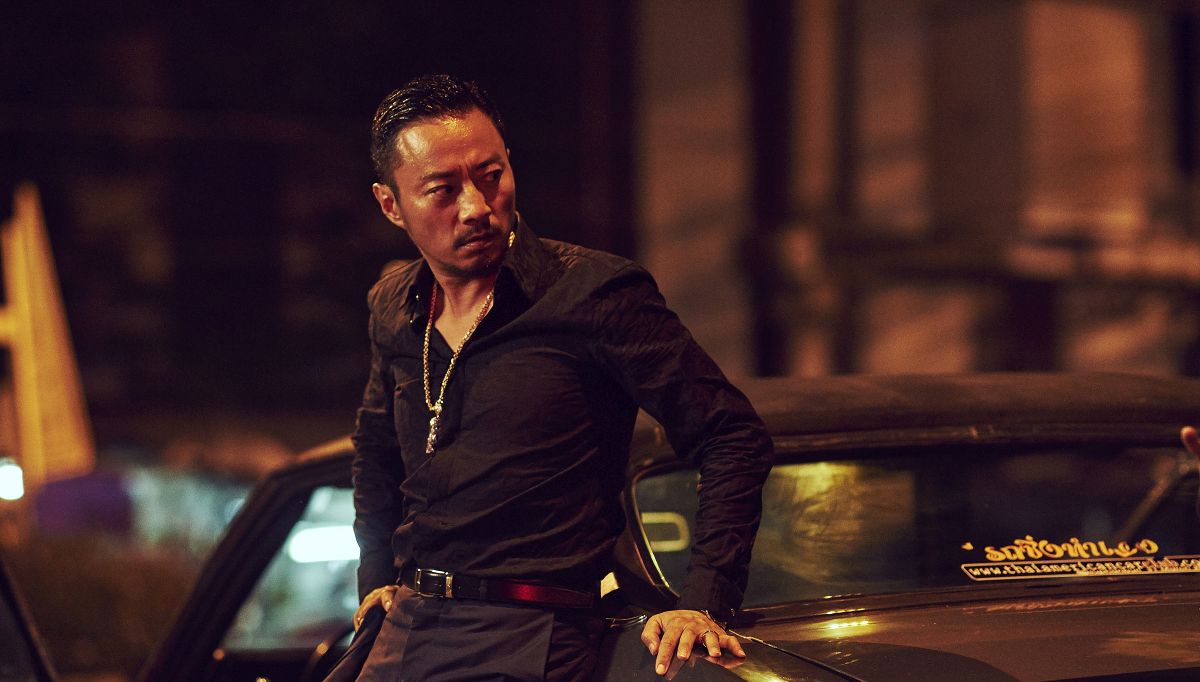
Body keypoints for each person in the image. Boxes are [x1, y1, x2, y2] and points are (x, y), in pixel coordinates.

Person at [333, 74, 773, 681]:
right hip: (408, 622)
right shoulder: (393, 305)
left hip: (532, 630)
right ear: (391, 205)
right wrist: (376, 576)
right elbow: (375, 450)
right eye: (442, 190)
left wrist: (703, 600)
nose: (476, 207)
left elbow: (731, 433)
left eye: (491, 176)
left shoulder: (593, 293)